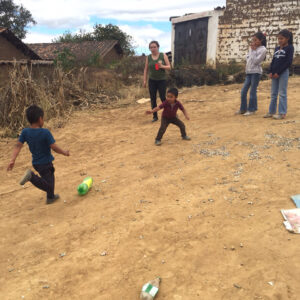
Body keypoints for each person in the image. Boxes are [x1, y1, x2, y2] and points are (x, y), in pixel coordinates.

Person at [7, 105, 70, 204]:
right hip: (45, 163)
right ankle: (31, 177)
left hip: (37, 163)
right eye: (43, 118)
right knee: (48, 185)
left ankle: (50, 197)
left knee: (50, 180)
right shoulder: (45, 132)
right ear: (40, 119)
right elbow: (54, 147)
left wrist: (12, 159)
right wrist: (64, 152)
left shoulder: (25, 132)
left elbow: (18, 146)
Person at [264, 29, 294, 120]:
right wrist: (271, 71)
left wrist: (278, 72)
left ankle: (282, 113)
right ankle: (271, 111)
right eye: (278, 39)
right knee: (273, 93)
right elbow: (273, 61)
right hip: (274, 74)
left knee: (282, 93)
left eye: (282, 38)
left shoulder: (290, 48)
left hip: (283, 73)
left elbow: (288, 62)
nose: (280, 40)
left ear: (287, 38)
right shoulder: (277, 48)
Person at [236, 32, 267, 116]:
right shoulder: (252, 48)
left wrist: (253, 51)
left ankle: (252, 110)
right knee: (243, 91)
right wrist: (251, 52)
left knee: (252, 91)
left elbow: (256, 61)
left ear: (261, 40)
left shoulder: (263, 49)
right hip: (249, 72)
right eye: (253, 40)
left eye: (256, 40)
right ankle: (243, 109)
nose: (254, 42)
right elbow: (248, 58)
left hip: (256, 73)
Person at [144, 41, 171, 122]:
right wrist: (144, 80)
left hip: (161, 80)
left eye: (154, 47)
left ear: (158, 47)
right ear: (149, 48)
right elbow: (146, 69)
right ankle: (155, 117)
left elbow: (169, 67)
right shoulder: (148, 57)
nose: (153, 49)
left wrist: (162, 66)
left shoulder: (163, 55)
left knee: (163, 98)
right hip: (152, 80)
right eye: (151, 47)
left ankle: (169, 114)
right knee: (153, 98)